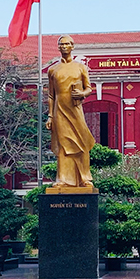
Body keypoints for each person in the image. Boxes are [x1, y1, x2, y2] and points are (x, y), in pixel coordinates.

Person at [45, 35, 95, 189]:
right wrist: (50, 116)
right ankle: (63, 179)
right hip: (59, 110)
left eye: (67, 44)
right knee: (63, 144)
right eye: (61, 44)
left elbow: (89, 88)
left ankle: (85, 178)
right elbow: (51, 95)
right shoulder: (53, 69)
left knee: (82, 143)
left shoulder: (81, 67)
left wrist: (82, 94)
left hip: (75, 110)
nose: (64, 47)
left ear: (72, 46)